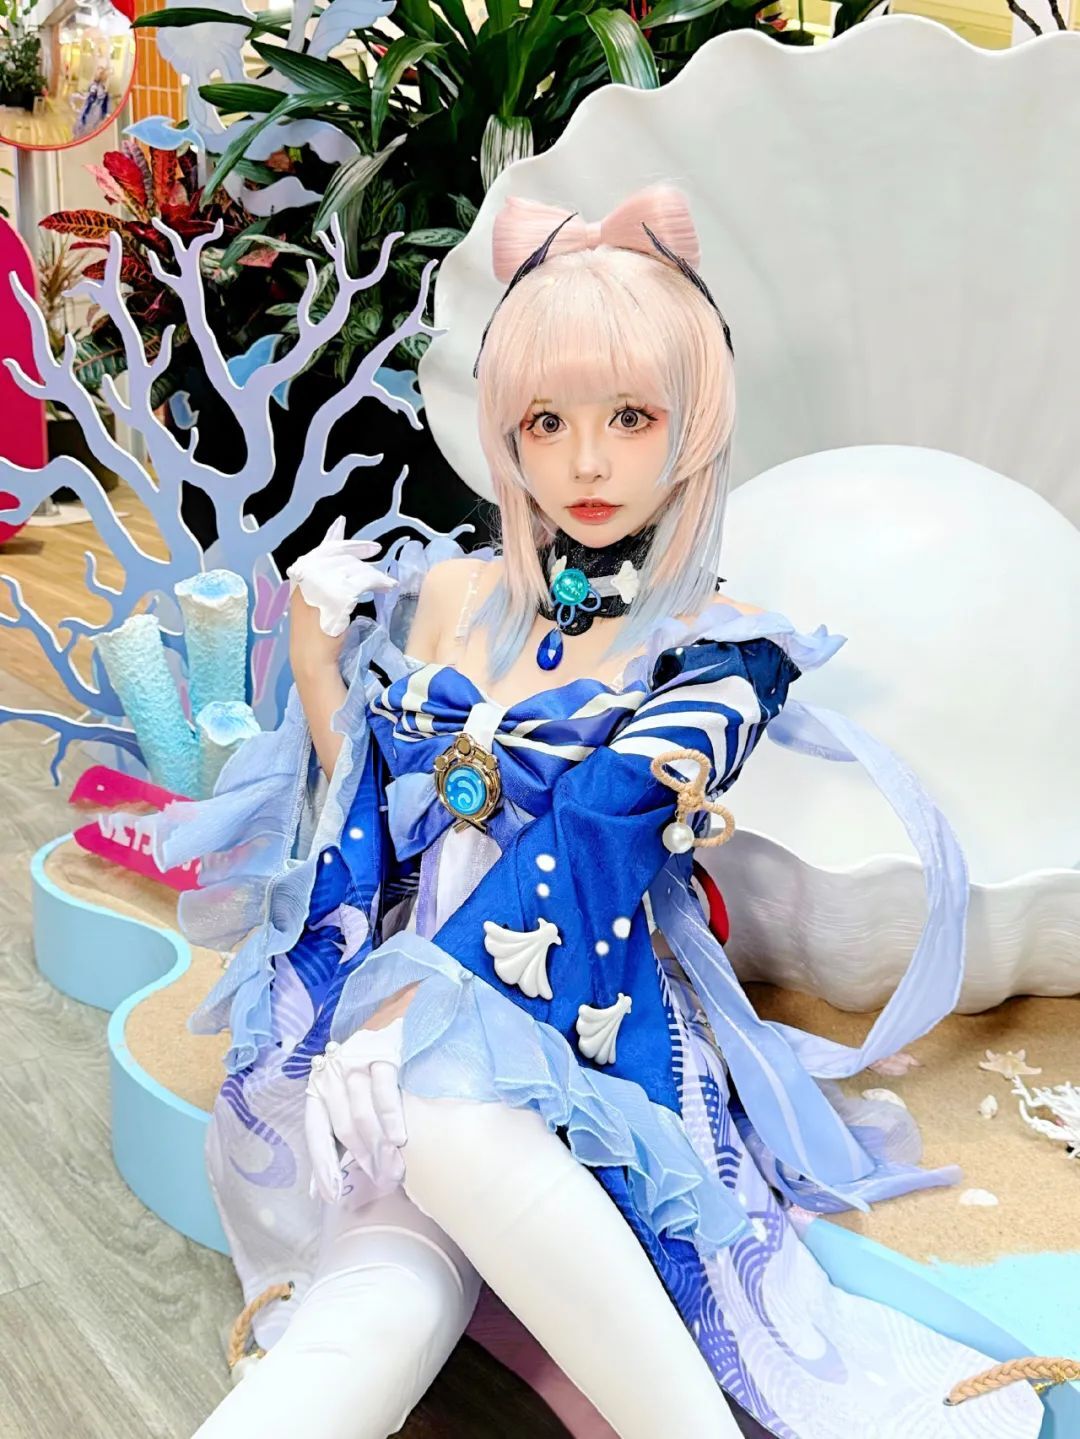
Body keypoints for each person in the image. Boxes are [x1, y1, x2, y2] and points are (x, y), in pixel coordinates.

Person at [143, 185, 1044, 1438]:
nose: (585, 462)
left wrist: (411, 1019)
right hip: (396, 1038)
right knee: (377, 1311)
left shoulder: (723, 652)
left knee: (446, 1115)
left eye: (631, 416)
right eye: (547, 420)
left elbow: (596, 844)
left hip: (587, 1034)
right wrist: (312, 658)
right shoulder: (454, 595)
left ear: (692, 420)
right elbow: (393, 821)